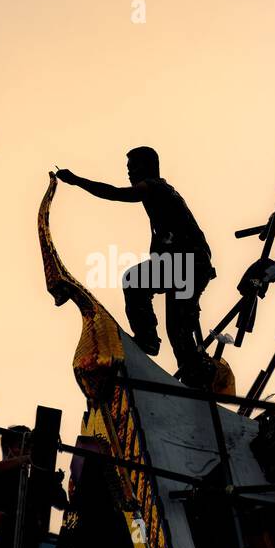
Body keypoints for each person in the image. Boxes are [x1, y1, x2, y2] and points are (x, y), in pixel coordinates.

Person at [56, 146, 216, 385]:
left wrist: (77, 181)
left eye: (133, 168)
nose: (129, 174)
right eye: (128, 169)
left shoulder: (154, 187)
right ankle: (195, 373)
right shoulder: (165, 194)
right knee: (177, 328)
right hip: (189, 265)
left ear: (148, 168)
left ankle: (150, 340)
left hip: (187, 264)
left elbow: (115, 193)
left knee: (135, 282)